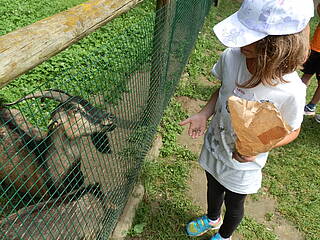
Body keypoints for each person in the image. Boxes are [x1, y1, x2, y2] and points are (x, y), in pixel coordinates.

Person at [179, 0, 314, 239]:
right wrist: (203, 113)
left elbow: (292, 130)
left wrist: (261, 147)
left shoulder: (291, 90)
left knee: (234, 203)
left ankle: (225, 234)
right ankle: (212, 218)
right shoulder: (231, 57)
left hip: (244, 164)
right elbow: (223, 90)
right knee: (213, 185)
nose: (239, 42)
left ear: (278, 45)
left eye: (249, 37)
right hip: (215, 145)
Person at [302, 2, 320, 116]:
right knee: (306, 74)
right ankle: (296, 100)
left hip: (316, 47)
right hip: (315, 47)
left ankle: (311, 107)